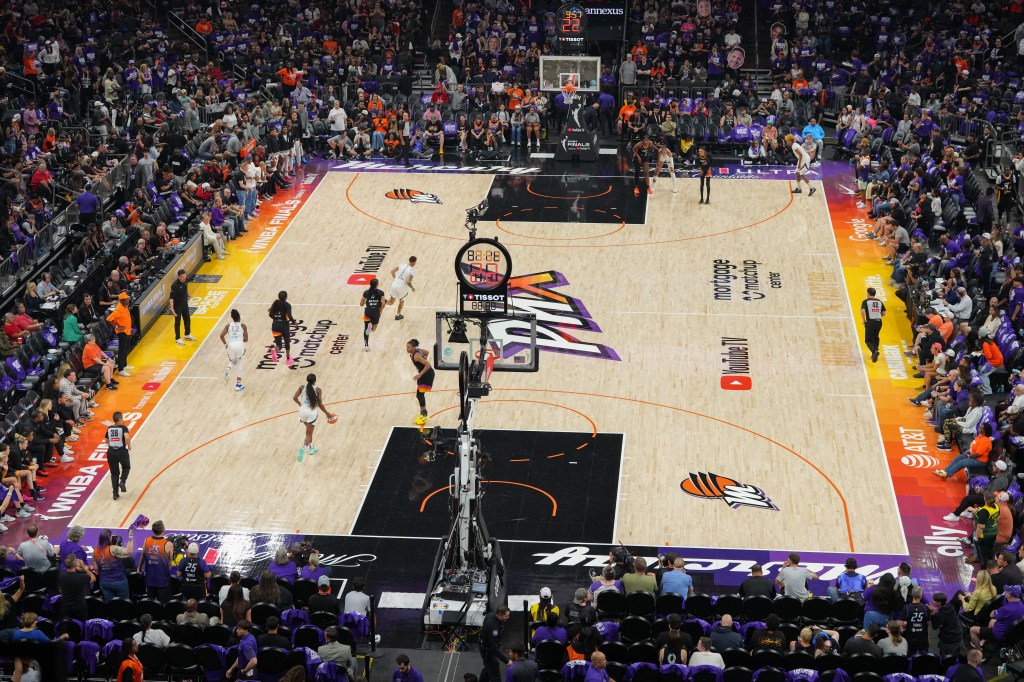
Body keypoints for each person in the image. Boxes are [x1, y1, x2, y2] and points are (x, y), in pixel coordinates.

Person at [293, 373, 336, 461]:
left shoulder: (302, 387)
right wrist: (327, 413)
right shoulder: (318, 390)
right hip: (311, 413)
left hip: (302, 411)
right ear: (315, 380)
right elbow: (320, 404)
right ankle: (303, 448)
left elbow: (294, 398)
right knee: (309, 434)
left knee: (309, 431)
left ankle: (311, 448)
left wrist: (299, 404)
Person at [970, 583, 1024, 648]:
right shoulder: (1022, 605)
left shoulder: (1006, 609)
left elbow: (991, 615)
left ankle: (979, 651)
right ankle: (984, 640)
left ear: (1010, 596)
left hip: (999, 633)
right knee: (991, 621)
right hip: (1010, 632)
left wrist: (995, 610)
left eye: (1007, 592)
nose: (1005, 592)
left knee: (972, 630)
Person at [95, 527, 135, 601]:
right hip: (118, 581)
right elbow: (128, 552)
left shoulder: (95, 550)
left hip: (104, 582)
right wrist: (131, 536)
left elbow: (96, 569)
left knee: (110, 605)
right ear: (109, 538)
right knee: (124, 603)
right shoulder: (112, 549)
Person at [139, 520, 174, 601]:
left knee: (151, 603)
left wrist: (140, 567)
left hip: (150, 578)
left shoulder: (147, 540)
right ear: (163, 530)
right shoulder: (169, 544)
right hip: (162, 579)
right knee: (163, 603)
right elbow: (170, 561)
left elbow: (143, 555)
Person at [58, 554, 95, 621]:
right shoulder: (81, 577)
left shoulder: (61, 576)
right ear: (75, 564)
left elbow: (60, 589)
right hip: (79, 608)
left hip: (66, 607)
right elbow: (93, 578)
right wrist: (84, 567)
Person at [407, 340, 435, 427]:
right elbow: (427, 352)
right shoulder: (417, 351)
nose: (407, 349)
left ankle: (424, 416)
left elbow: (428, 365)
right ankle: (423, 414)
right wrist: (424, 359)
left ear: (413, 347)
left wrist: (420, 374)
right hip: (425, 373)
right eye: (406, 347)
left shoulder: (417, 355)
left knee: (420, 395)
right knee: (419, 395)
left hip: (427, 374)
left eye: (409, 347)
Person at [480, 606, 511, 682]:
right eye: (506, 616)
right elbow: (493, 648)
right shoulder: (493, 628)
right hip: (488, 651)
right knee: (495, 675)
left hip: (485, 644)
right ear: (500, 615)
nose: (508, 617)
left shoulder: (491, 614)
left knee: (488, 668)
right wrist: (507, 661)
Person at [220, 309, 248, 392]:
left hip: (230, 346)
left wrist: (226, 345)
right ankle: (238, 385)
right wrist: (240, 339)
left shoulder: (228, 326)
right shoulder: (243, 326)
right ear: (239, 317)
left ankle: (229, 368)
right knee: (239, 363)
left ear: (232, 318)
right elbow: (246, 339)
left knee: (233, 360)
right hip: (239, 345)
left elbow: (221, 335)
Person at [106, 292, 133, 376]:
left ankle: (124, 365)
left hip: (127, 331)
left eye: (127, 299)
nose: (128, 300)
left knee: (126, 348)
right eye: (126, 299)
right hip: (122, 332)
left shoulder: (125, 306)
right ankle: (120, 370)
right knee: (122, 350)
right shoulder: (118, 309)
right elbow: (108, 319)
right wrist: (117, 327)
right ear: (121, 300)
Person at [106, 411, 131, 500]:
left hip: (111, 452)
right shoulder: (123, 427)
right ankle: (122, 481)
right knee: (126, 467)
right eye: (122, 418)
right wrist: (129, 445)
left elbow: (106, 441)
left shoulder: (109, 428)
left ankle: (115, 494)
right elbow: (127, 437)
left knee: (114, 473)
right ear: (120, 419)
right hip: (121, 451)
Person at [170, 269, 196, 346]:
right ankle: (177, 338)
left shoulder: (186, 280)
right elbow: (171, 298)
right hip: (177, 306)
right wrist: (172, 309)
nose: (184, 278)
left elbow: (185, 287)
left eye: (185, 276)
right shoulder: (174, 285)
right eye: (182, 277)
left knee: (187, 318)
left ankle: (187, 334)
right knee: (178, 322)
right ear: (179, 277)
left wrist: (188, 294)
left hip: (185, 304)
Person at [269, 291, 295, 367]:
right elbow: (289, 315)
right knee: (287, 342)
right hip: (284, 325)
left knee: (279, 345)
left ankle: (275, 350)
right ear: (286, 297)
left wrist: (276, 319)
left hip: (275, 325)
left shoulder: (275, 303)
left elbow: (270, 314)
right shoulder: (287, 305)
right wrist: (294, 322)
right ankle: (288, 359)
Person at [861, 288, 886, 363]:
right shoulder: (879, 301)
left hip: (870, 322)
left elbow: (863, 311)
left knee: (868, 340)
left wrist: (864, 319)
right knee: (875, 337)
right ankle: (874, 353)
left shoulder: (866, 301)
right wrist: (877, 315)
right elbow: (884, 313)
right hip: (879, 322)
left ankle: (874, 351)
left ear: (868, 293)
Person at [360, 278, 387, 350]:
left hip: (367, 311)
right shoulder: (381, 292)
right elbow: (383, 304)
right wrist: (380, 309)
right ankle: (371, 327)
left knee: (366, 328)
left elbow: (361, 304)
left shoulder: (366, 292)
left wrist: (367, 301)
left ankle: (366, 345)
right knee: (374, 329)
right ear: (377, 285)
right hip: (376, 312)